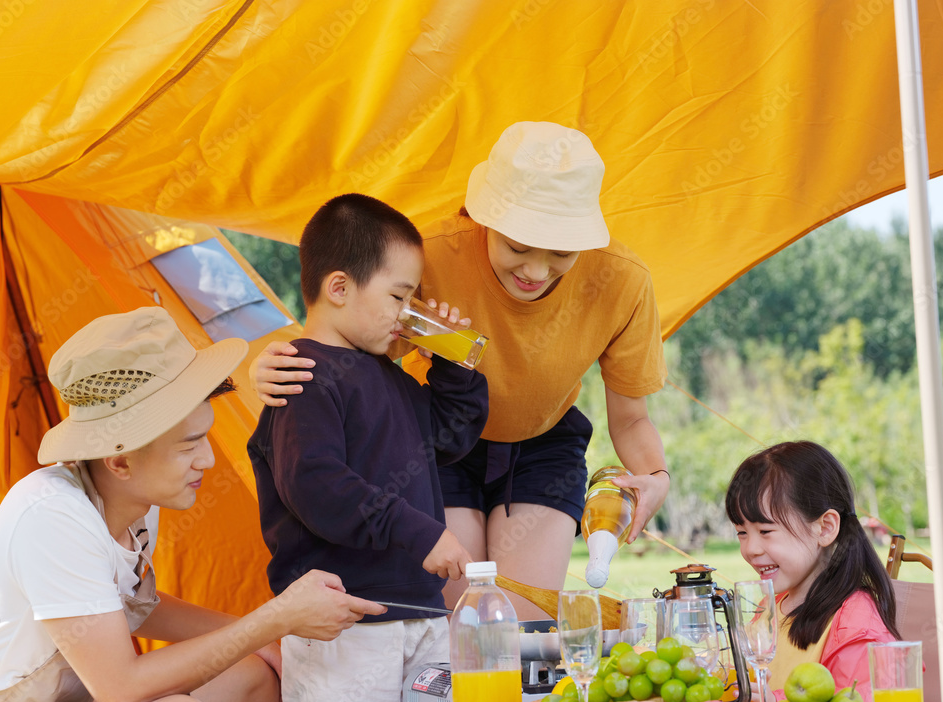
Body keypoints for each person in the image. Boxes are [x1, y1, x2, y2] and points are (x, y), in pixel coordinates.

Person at [251, 122, 670, 618]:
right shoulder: (425, 257)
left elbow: (631, 418)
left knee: (518, 627)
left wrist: (656, 476)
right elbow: (351, 347)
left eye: (560, 253)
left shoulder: (623, 281)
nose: (535, 271)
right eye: (517, 247)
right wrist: (278, 362)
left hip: (543, 445)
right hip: (440, 443)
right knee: (462, 620)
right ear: (484, 219)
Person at [0, 306, 384, 702]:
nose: (206, 459)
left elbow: (125, 606)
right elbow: (120, 689)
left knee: (252, 679)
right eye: (188, 445)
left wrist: (264, 640)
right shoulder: (51, 515)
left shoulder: (133, 498)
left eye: (204, 437)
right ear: (121, 460)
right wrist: (271, 621)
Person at [246, 194, 488, 702]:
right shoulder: (301, 378)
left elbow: (449, 440)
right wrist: (419, 531)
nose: (408, 312)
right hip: (344, 628)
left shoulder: (392, 378)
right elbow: (318, 487)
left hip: (418, 615)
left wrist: (452, 365)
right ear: (339, 288)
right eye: (399, 296)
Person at [725, 440, 900, 702]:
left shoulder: (855, 628)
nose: (751, 548)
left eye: (765, 531)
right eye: (742, 532)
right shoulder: (771, 606)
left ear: (825, 528)